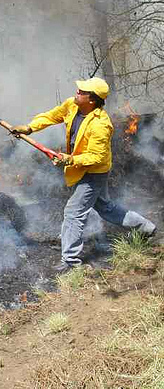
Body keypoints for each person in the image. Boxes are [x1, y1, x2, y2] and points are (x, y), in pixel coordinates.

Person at [12, 76, 157, 273]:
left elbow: (96, 157)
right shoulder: (73, 106)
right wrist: (29, 127)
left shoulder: (101, 125)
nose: (77, 92)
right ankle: (145, 228)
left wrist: (69, 159)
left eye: (82, 92)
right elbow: (52, 116)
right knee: (105, 207)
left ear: (92, 99)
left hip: (94, 172)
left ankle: (71, 261)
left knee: (73, 212)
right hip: (80, 168)